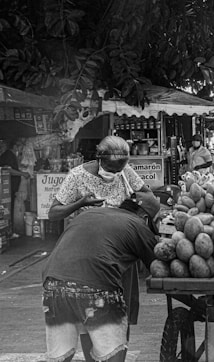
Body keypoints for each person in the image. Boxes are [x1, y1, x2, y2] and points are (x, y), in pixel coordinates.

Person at [47, 135, 151, 359]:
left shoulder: (126, 171)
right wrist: (80, 203)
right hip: (88, 250)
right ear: (99, 158)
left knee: (121, 311)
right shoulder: (77, 176)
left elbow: (148, 196)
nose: (114, 174)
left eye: (119, 169)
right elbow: (53, 213)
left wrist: (136, 200)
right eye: (111, 168)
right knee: (89, 313)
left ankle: (116, 351)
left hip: (120, 251)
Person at [42, 192, 160, 362]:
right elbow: (158, 265)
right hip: (96, 287)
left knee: (61, 356)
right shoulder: (138, 224)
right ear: (146, 218)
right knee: (112, 355)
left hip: (53, 285)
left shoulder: (89, 214)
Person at [0, 138, 30, 234]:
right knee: (7, 209)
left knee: (10, 208)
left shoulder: (11, 155)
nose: (21, 149)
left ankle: (10, 231)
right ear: (15, 146)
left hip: (10, 188)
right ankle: (9, 232)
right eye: (20, 146)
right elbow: (8, 170)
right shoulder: (8, 155)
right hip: (6, 188)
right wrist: (22, 174)